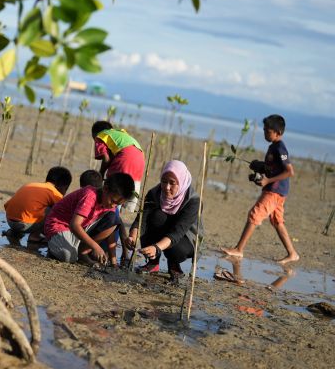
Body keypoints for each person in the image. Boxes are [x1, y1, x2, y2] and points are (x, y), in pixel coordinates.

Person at [221, 114, 299, 264]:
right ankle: (292, 253)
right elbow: (272, 167)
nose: (265, 134)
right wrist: (260, 168)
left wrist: (268, 180)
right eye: (264, 130)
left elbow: (289, 171)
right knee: (277, 221)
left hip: (275, 191)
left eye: (268, 131)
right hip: (275, 190)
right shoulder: (272, 147)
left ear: (278, 132)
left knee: (255, 214)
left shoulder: (280, 148)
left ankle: (239, 249)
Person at [123, 160, 202, 280]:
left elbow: (178, 231)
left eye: (172, 183)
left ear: (181, 182)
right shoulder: (154, 193)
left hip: (184, 238)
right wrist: (132, 237)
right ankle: (153, 262)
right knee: (155, 217)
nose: (166, 187)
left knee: (177, 250)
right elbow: (142, 220)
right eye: (164, 181)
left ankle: (173, 264)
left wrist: (157, 248)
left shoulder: (193, 201)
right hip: (162, 232)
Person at [44, 173, 135, 266]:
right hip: (58, 227)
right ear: (105, 189)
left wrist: (114, 261)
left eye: (117, 204)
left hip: (77, 230)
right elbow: (74, 225)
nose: (113, 206)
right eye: (112, 201)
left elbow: (112, 228)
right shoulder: (90, 195)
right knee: (68, 256)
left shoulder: (109, 204)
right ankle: (54, 246)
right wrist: (95, 246)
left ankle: (82, 253)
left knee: (114, 219)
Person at [4, 166, 72, 249]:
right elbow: (63, 213)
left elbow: (6, 205)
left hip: (9, 220)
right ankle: (35, 236)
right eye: (65, 189)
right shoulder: (55, 193)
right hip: (25, 225)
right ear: (62, 186)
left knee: (34, 207)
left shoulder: (31, 185)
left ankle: (14, 233)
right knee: (53, 210)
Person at [91, 121, 145, 213]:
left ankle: (112, 213)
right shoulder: (120, 134)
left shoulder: (101, 136)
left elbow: (106, 159)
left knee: (114, 189)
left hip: (125, 158)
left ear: (95, 134)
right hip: (140, 160)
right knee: (128, 190)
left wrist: (101, 174)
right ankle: (123, 212)